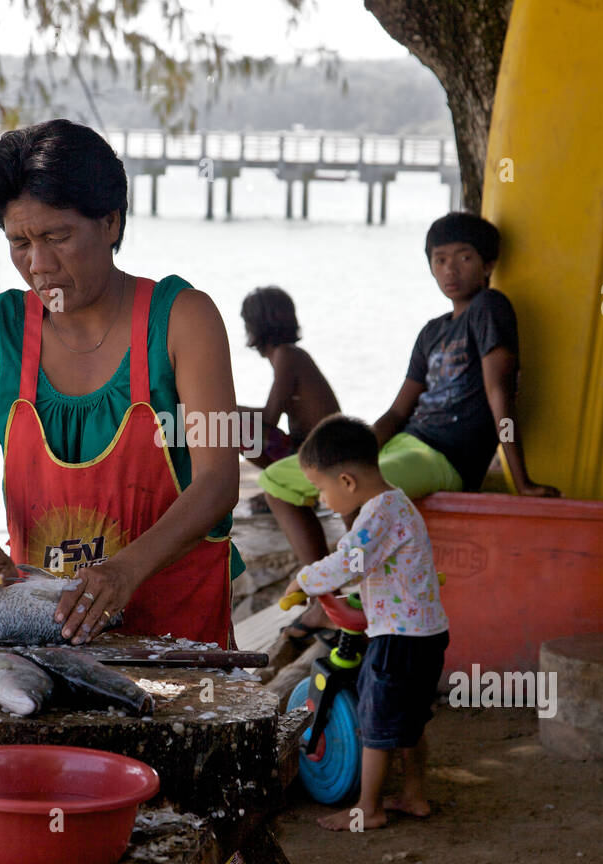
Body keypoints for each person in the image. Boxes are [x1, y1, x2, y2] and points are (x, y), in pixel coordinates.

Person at [0, 118, 244, 649]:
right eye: (20, 243)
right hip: (47, 642)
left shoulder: (185, 319)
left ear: (110, 222)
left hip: (176, 642)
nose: (39, 265)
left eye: (57, 237)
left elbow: (218, 481)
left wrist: (125, 571)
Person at [263, 211, 559, 639]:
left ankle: (341, 599)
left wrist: (521, 478)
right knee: (277, 479)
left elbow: (501, 395)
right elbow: (398, 412)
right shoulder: (431, 332)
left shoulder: (491, 308)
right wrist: (358, 446)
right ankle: (324, 597)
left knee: (357, 485)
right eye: (439, 260)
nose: (450, 270)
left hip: (447, 455)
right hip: (408, 440)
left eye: (464, 258)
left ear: (488, 265)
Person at [281, 415, 449, 831]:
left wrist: (303, 579)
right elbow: (370, 567)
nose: (322, 500)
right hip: (424, 634)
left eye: (322, 489)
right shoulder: (397, 503)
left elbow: (346, 562)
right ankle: (413, 795)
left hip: (398, 639)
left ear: (347, 481)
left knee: (376, 721)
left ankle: (367, 809)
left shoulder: (377, 514)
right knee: (410, 720)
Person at [235, 286, 340, 468]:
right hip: (313, 448)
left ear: (257, 325)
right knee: (227, 422)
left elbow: (269, 417)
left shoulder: (286, 354)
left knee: (230, 427)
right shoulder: (288, 354)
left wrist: (223, 408)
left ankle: (284, 485)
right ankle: (280, 483)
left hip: (320, 455)